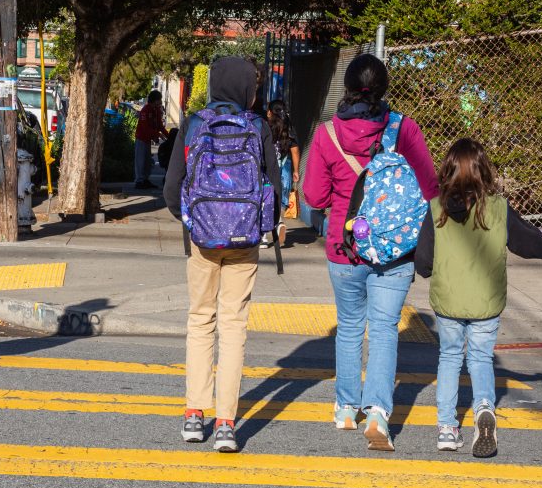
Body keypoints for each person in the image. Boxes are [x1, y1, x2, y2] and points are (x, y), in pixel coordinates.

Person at [302, 53, 438, 451]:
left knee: (349, 327)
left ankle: (346, 408)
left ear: (346, 87)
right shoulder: (404, 128)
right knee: (383, 330)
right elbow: (429, 186)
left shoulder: (327, 134)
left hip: (344, 248)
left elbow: (313, 196)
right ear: (384, 88)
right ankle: (378, 413)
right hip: (395, 249)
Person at [415, 138, 542, 458]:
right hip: (487, 302)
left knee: (450, 358)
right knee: (480, 357)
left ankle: (447, 429)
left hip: (449, 302)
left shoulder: (436, 208)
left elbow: (423, 260)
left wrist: (432, 272)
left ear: (448, 169)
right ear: (483, 171)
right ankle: (484, 408)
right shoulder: (497, 208)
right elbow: (527, 242)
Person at [164, 57, 281, 453]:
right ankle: (228, 423)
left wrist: (197, 219)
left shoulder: (195, 124)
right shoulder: (258, 126)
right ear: (248, 88)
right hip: (244, 241)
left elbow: (171, 189)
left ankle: (195, 415)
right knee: (233, 326)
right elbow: (276, 189)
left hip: (202, 242)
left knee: (201, 320)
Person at [262, 99, 299, 248]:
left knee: (264, 200)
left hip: (267, 169)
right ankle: (279, 222)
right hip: (283, 169)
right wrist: (296, 171)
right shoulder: (288, 128)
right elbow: (295, 150)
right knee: (279, 200)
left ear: (270, 112)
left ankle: (263, 237)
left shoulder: (265, 127)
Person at [134, 90, 167, 189]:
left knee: (147, 161)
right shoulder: (146, 110)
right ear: (154, 100)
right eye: (159, 100)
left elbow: (160, 126)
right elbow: (145, 127)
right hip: (141, 138)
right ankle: (139, 181)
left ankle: (145, 179)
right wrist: (158, 135)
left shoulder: (156, 110)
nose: (160, 102)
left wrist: (169, 135)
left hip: (148, 139)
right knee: (140, 160)